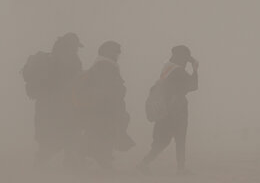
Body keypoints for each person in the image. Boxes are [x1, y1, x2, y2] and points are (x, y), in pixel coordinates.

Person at [23, 32, 84, 167]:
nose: (77, 49)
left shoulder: (52, 57)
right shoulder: (69, 59)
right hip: (63, 104)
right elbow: (74, 81)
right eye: (76, 46)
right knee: (68, 133)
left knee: (52, 135)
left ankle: (49, 161)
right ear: (72, 45)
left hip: (46, 105)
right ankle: (65, 162)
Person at [139, 45, 199, 174]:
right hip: (177, 109)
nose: (186, 61)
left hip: (165, 109)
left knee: (162, 140)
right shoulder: (178, 71)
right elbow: (193, 86)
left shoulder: (167, 68)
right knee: (179, 139)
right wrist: (195, 69)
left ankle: (144, 162)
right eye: (186, 58)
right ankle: (180, 168)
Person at [79, 40, 133, 170]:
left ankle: (97, 158)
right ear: (109, 52)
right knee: (104, 133)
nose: (118, 55)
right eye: (116, 52)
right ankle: (101, 160)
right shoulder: (106, 66)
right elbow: (110, 88)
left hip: (100, 107)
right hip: (105, 108)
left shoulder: (101, 65)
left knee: (99, 133)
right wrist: (120, 93)